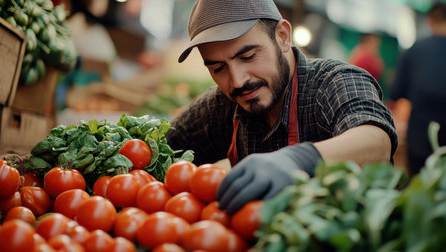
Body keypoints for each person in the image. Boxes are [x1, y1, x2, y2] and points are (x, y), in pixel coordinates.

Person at [167, 0, 398, 215]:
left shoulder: (334, 81)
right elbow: (164, 146)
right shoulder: (222, 105)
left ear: (283, 37)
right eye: (218, 68)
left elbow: (376, 142)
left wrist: (299, 160)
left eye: (248, 56)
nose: (237, 81)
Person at [389, 2, 446, 176]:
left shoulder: (414, 51)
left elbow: (396, 92)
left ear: (429, 21)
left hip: (419, 138)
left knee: (419, 190)